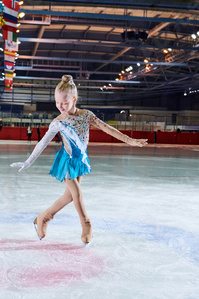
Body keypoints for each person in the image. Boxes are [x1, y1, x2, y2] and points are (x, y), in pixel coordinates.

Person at [11, 75, 148, 245]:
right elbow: (42, 143)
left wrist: (130, 140)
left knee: (68, 197)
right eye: (57, 103)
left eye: (64, 102)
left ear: (74, 99)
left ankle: (43, 217)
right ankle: (87, 224)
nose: (60, 107)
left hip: (80, 159)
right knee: (77, 194)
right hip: (67, 160)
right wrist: (28, 161)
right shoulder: (58, 122)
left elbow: (107, 128)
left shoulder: (86, 115)